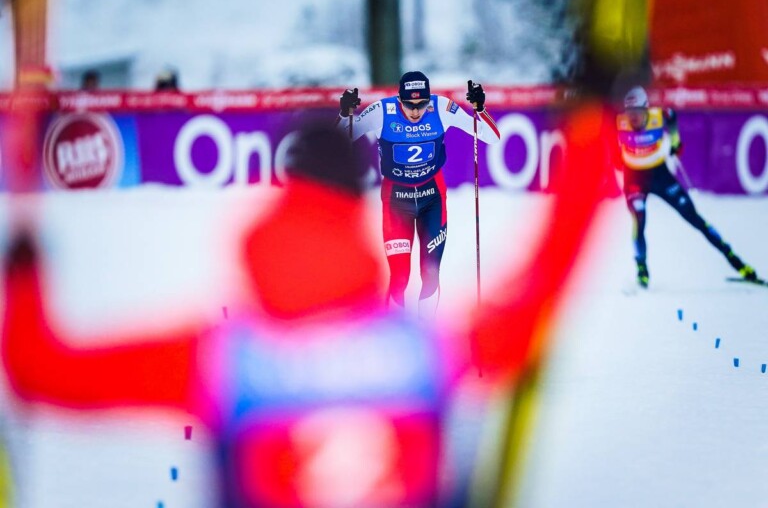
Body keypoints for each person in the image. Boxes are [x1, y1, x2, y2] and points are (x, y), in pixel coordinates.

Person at [2, 115, 608, 507]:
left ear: (282, 197)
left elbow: (37, 371)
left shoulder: (224, 358)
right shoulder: (424, 348)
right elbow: (541, 289)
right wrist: (591, 130)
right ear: (354, 209)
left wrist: (24, 269)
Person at [336, 72, 501, 318]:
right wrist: (345, 115)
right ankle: (393, 338)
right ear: (399, 99)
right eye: (409, 105)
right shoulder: (382, 111)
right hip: (396, 202)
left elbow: (491, 137)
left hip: (432, 200)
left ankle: (426, 335)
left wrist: (479, 108)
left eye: (421, 105)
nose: (415, 112)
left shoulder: (442, 107)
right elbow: (341, 140)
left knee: (430, 273)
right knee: (400, 275)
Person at [616, 86, 759, 288]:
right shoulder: (619, 121)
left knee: (695, 219)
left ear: (646, 108)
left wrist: (675, 142)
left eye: (637, 113)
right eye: (630, 113)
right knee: (639, 215)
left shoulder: (659, 116)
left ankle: (737, 262)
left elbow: (672, 118)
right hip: (634, 178)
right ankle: (642, 269)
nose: (633, 118)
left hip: (659, 175)